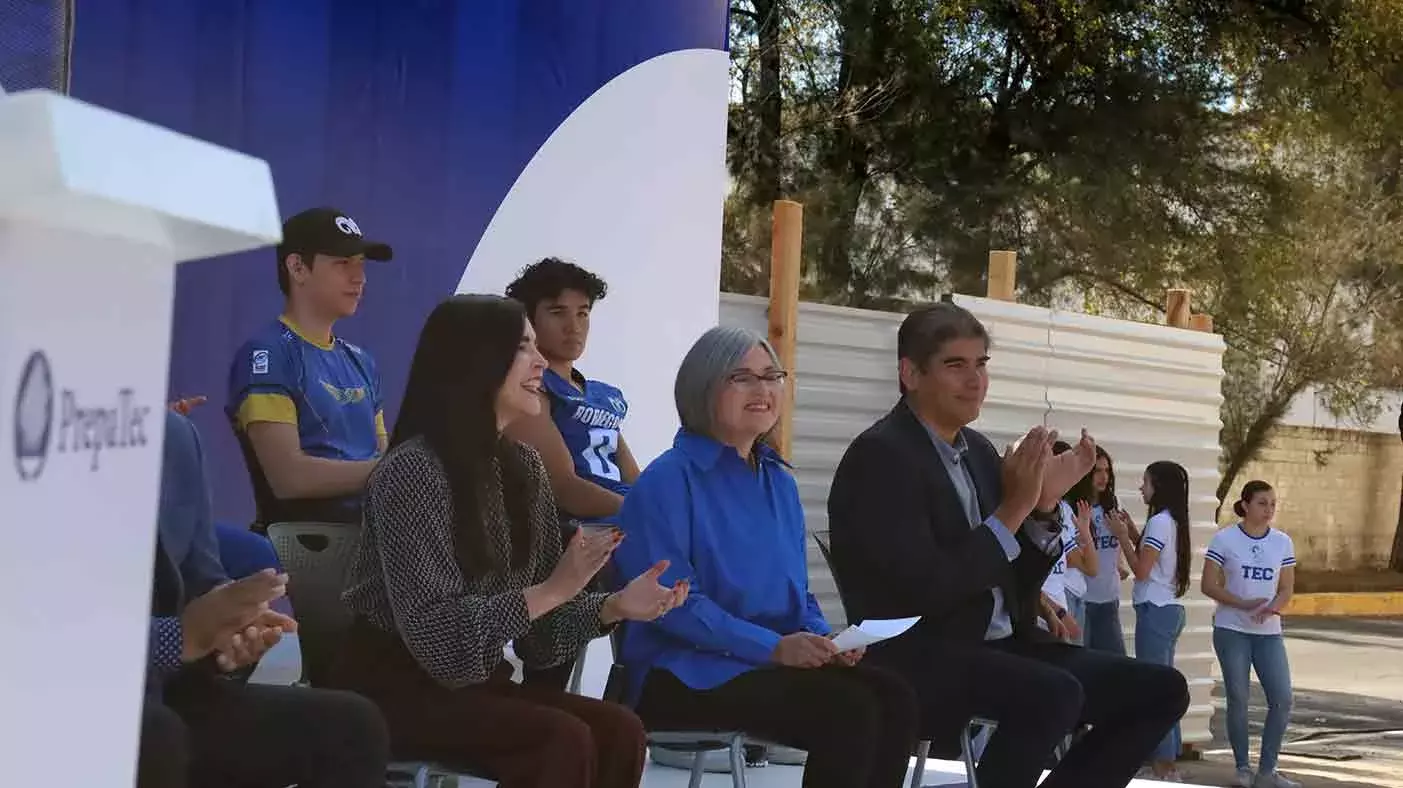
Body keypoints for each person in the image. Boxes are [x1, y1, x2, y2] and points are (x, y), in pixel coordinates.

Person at [825, 302, 1189, 788]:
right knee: (1052, 694)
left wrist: (1042, 510)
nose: (974, 380)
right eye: (956, 365)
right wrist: (1017, 508)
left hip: (1004, 645)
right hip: (920, 651)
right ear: (910, 373)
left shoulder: (976, 450)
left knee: (1162, 689)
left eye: (981, 364)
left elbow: (1008, 575)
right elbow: (925, 589)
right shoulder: (879, 457)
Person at [330, 294, 687, 788]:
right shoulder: (412, 471)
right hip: (393, 692)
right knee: (561, 738)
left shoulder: (525, 468)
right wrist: (554, 590)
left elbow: (539, 642)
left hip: (475, 684)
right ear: (475, 362)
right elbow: (439, 642)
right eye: (523, 347)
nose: (542, 361)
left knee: (621, 729)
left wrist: (615, 607)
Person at [612, 326, 920, 788]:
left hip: (764, 662)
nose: (763, 390)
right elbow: (676, 607)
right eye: (742, 378)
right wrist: (774, 648)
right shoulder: (666, 482)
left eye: (771, 375)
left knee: (894, 697)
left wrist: (825, 642)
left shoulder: (779, 481)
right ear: (703, 387)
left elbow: (796, 591)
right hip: (684, 672)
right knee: (848, 710)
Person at [138, 410, 389, 788]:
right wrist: (180, 638)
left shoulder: (175, 437)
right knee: (158, 737)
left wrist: (232, 633)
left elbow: (205, 583)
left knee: (351, 727)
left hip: (172, 688)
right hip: (79, 691)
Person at [225, 207, 393, 529]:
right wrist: (393, 470)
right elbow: (288, 478)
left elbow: (382, 457)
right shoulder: (268, 353)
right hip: (309, 543)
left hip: (371, 538)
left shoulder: (362, 361)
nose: (359, 277)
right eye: (343, 263)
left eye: (361, 264)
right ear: (298, 267)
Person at [503, 257, 640, 522]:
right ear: (529, 320)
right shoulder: (528, 389)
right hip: (576, 531)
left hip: (622, 519)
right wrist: (644, 514)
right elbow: (562, 487)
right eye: (557, 312)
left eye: (583, 313)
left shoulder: (605, 396)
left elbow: (635, 480)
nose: (574, 327)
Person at [1203, 480, 1300, 788]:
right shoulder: (1225, 539)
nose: (1269, 509)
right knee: (1239, 697)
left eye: (1272, 503)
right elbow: (1209, 585)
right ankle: (1243, 768)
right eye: (1262, 503)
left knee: (1282, 698)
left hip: (1268, 632)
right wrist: (1242, 603)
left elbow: (1286, 588)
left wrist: (1271, 608)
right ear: (1245, 505)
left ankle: (1268, 770)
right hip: (1232, 629)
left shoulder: (1282, 542)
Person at [1107, 460, 1192, 780]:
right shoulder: (1170, 522)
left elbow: (1142, 571)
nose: (1141, 488)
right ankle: (1167, 759)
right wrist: (1130, 529)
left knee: (1157, 691)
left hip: (1155, 611)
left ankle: (1164, 765)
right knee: (1166, 687)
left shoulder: (1159, 522)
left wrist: (1121, 537)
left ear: (1159, 486)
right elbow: (1156, 562)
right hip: (1169, 610)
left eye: (1145, 482)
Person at [1076, 447, 1129, 654]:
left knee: (1116, 664)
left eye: (1107, 471)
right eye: (1097, 471)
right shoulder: (1075, 507)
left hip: (1109, 599)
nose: (1103, 477)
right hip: (1083, 599)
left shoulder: (1113, 504)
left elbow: (1116, 543)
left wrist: (1119, 564)